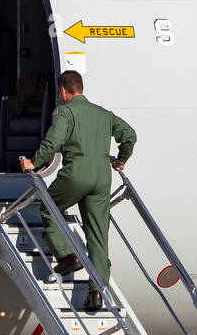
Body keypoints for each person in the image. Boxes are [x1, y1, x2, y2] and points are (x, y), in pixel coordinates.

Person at [20, 70, 136, 312]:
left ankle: (67, 255)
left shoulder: (65, 112)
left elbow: (53, 142)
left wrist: (34, 162)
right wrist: (121, 160)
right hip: (103, 176)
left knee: (49, 207)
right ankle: (96, 293)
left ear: (63, 91)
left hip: (77, 171)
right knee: (97, 235)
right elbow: (130, 135)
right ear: (81, 88)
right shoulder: (103, 114)